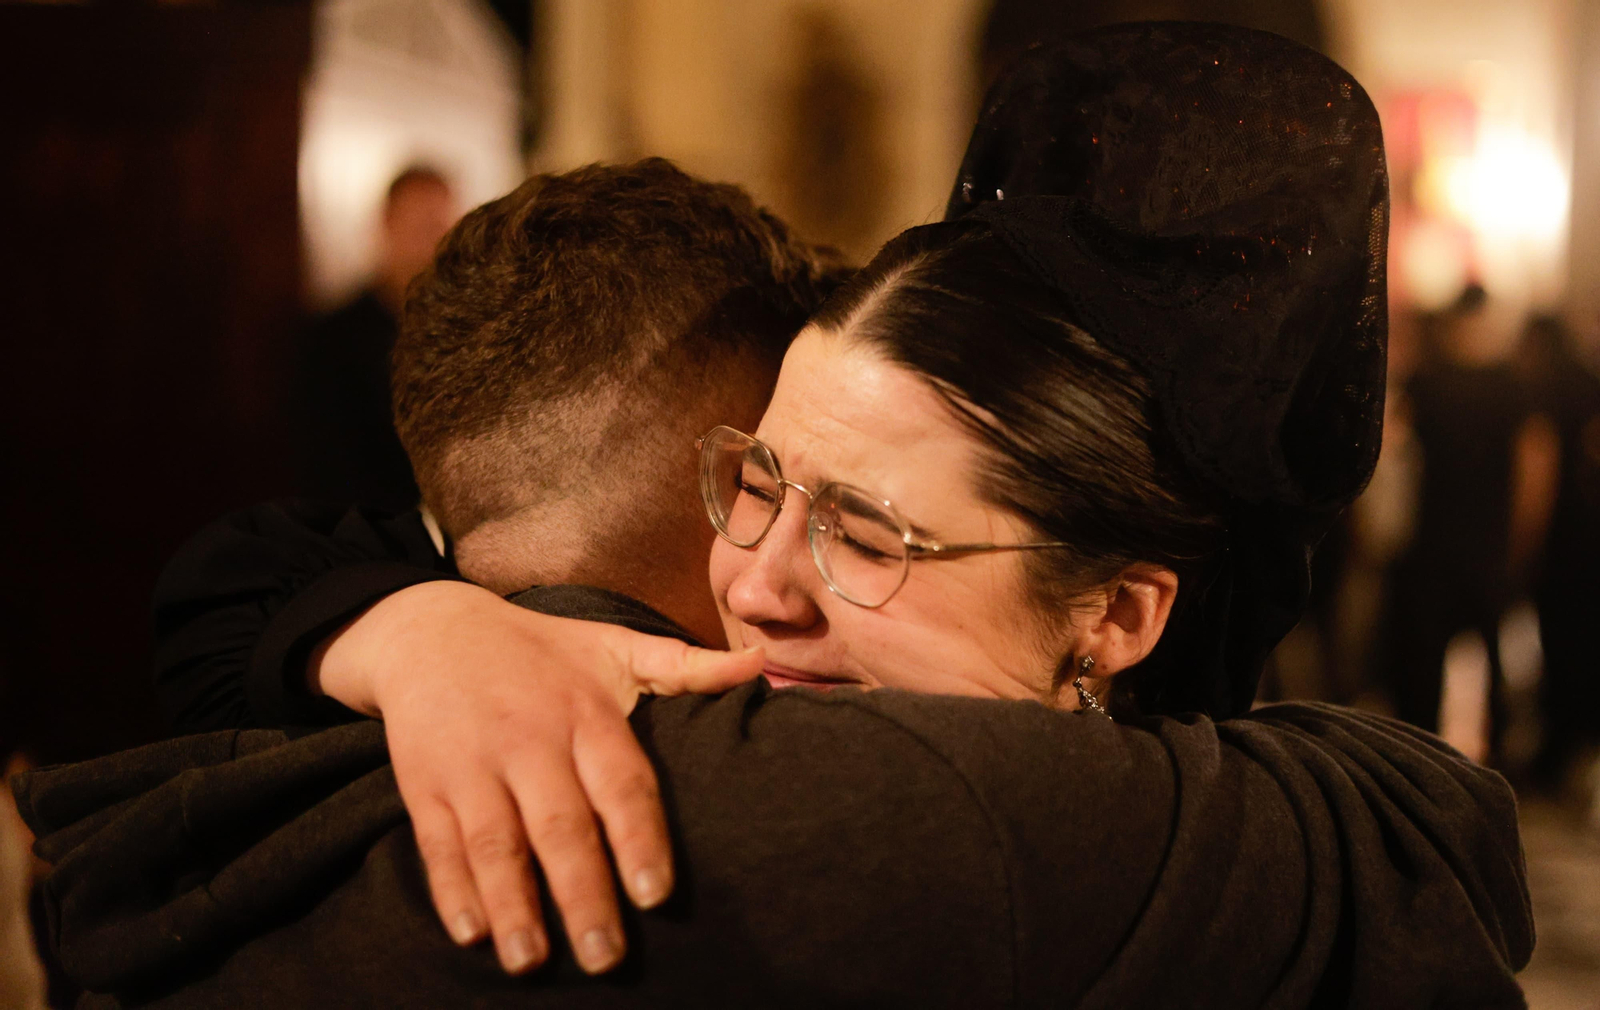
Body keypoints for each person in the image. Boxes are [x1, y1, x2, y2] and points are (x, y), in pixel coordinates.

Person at [36, 24, 1532, 1005]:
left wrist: (404, 626)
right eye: (757, 482)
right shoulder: (836, 793)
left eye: (868, 531)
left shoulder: (957, 818)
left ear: (1124, 612)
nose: (753, 582)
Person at [292, 165, 459, 510]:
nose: (429, 242)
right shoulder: (334, 338)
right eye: (419, 226)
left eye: (439, 227)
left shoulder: (463, 330)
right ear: (386, 223)